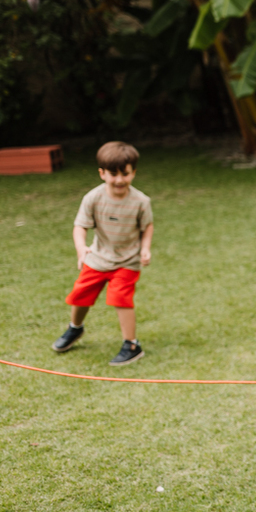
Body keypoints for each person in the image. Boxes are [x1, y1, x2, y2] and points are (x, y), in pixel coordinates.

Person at [51, 141, 154, 366]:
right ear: (102, 173)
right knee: (80, 294)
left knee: (120, 298)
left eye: (125, 174)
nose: (119, 180)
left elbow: (147, 227)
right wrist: (82, 248)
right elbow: (80, 226)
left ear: (133, 172)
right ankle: (75, 329)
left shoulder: (141, 202)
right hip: (98, 257)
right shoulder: (93, 198)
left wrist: (145, 248)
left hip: (128, 260)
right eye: (113, 174)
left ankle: (132, 345)